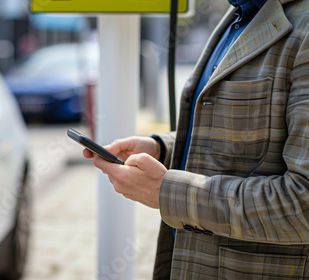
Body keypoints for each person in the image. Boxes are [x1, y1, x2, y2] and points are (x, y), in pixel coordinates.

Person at [84, 0, 309, 278]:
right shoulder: (240, 13)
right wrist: (163, 149)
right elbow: (249, 133)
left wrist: (167, 192)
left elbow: (304, 202)